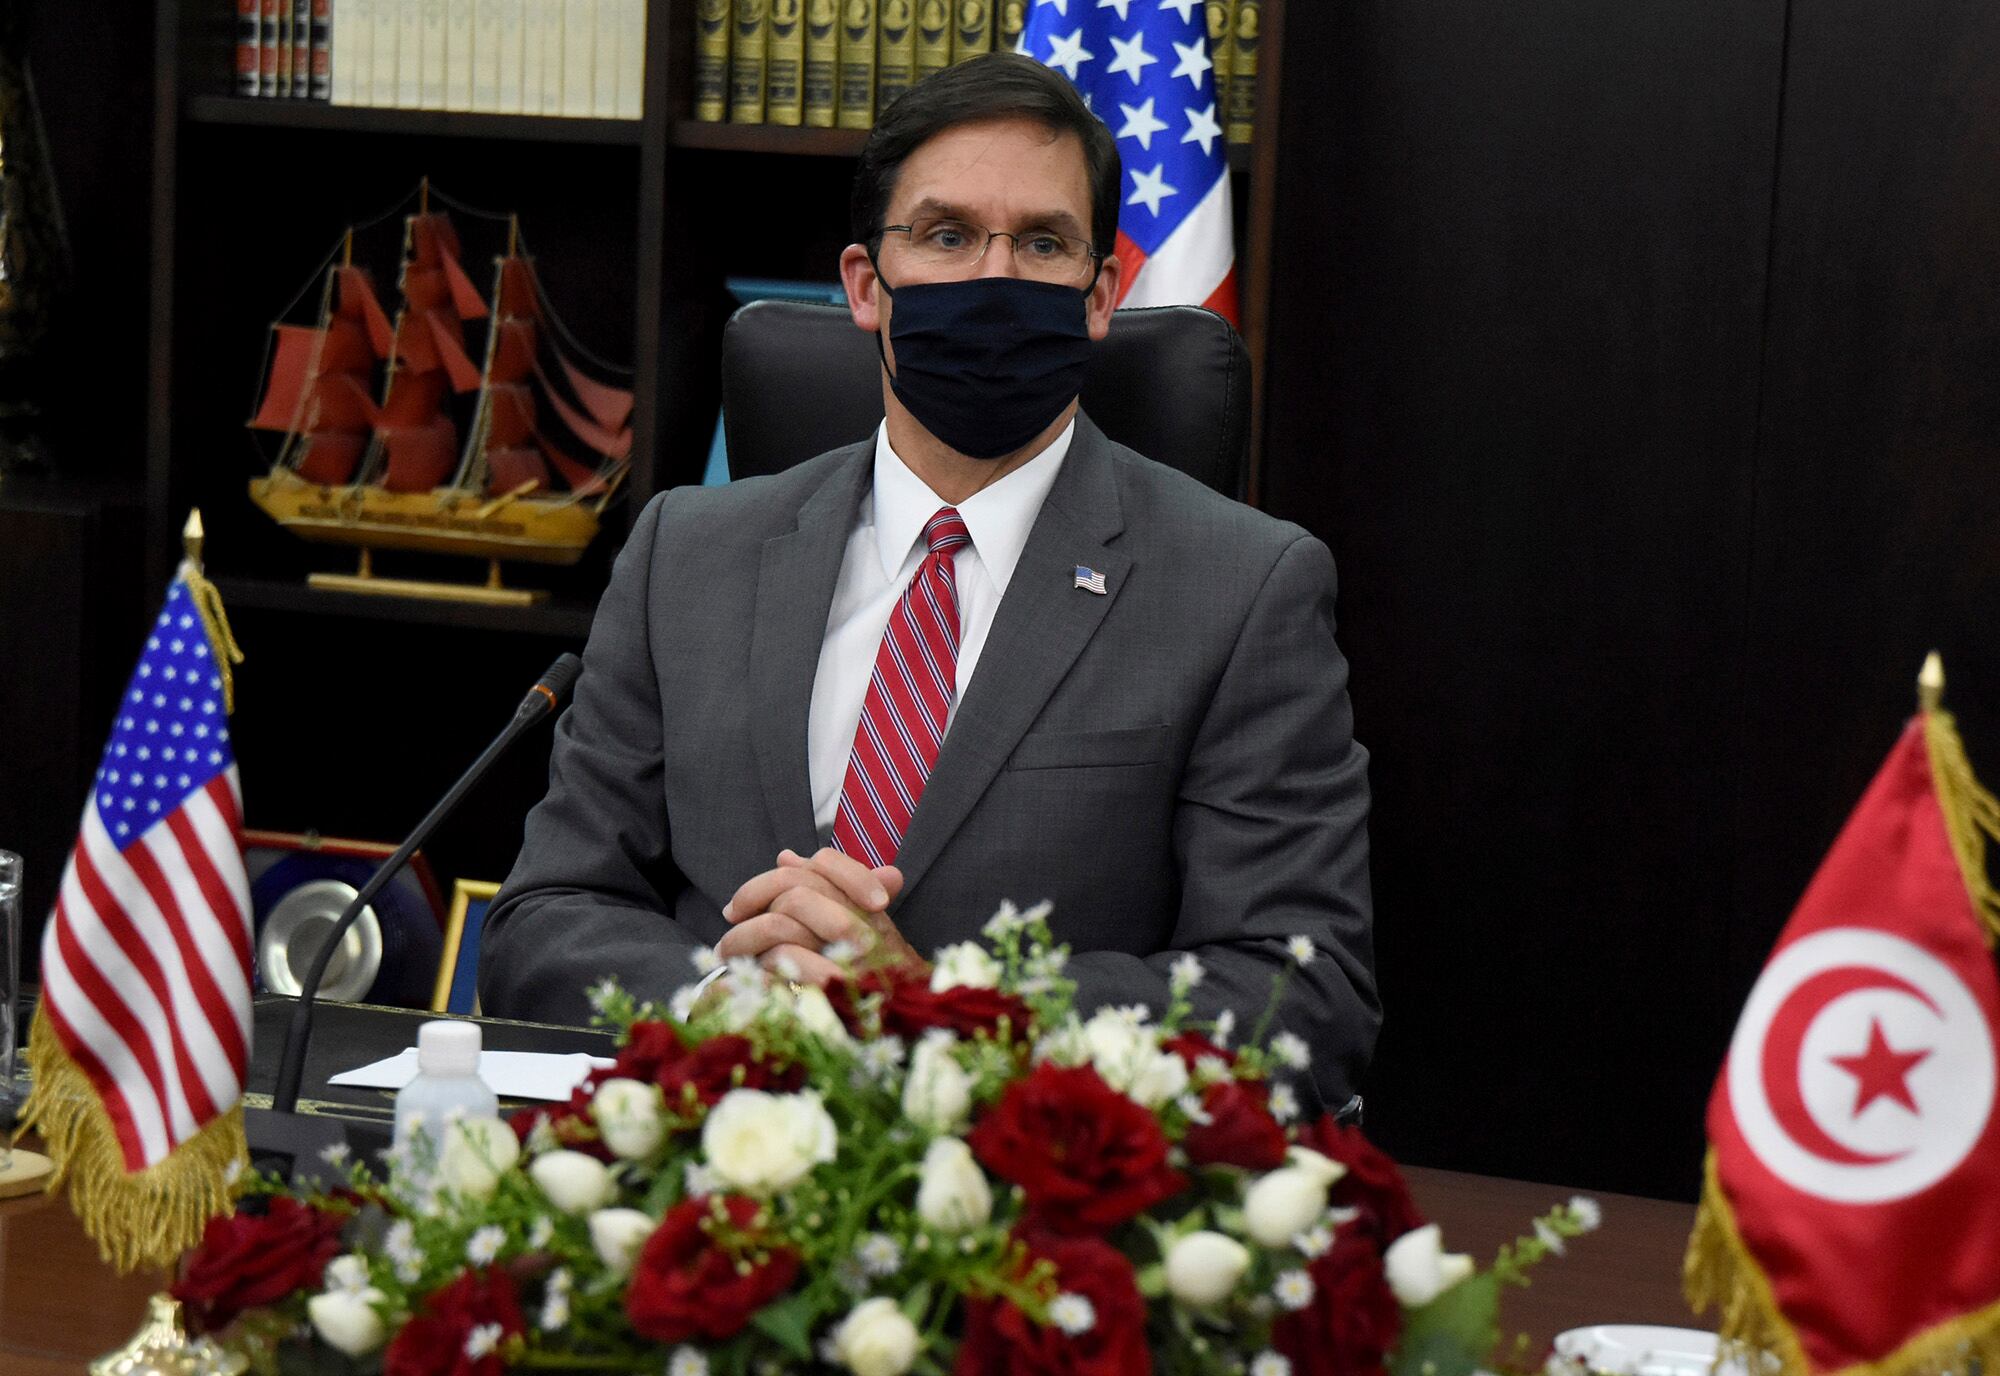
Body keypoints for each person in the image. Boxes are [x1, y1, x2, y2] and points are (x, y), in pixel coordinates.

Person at [479, 53, 1378, 1104]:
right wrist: (722, 996)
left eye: (1040, 242)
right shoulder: (687, 552)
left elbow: (1297, 994)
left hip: (1029, 1209)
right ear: (866, 284)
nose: (992, 276)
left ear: (1100, 296)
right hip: (705, 1180)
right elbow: (543, 915)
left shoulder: (1240, 587)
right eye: (947, 236)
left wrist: (937, 1007)